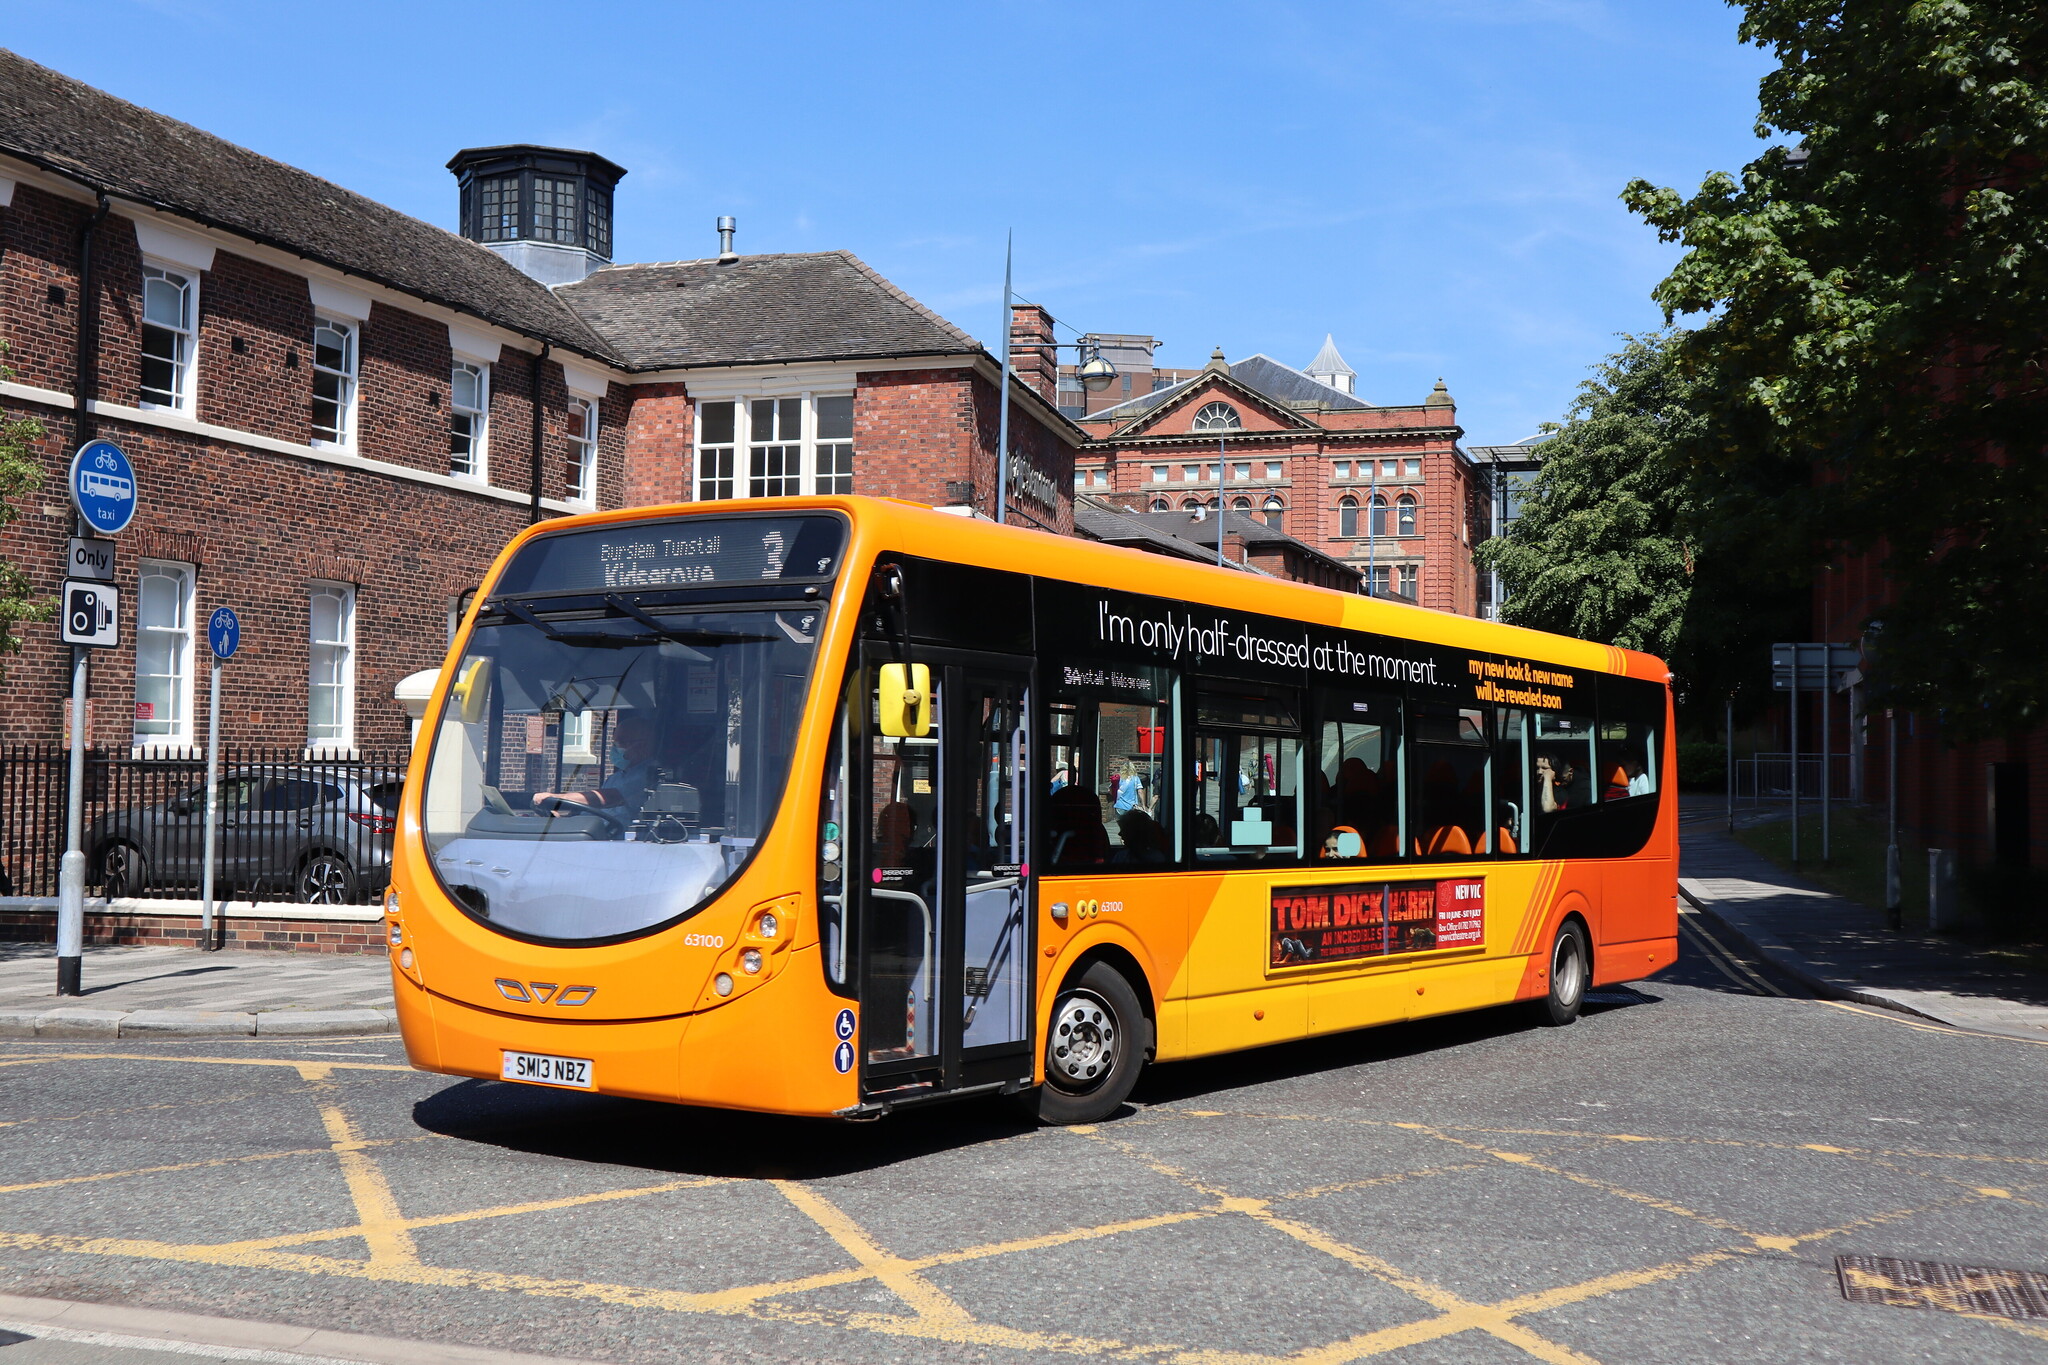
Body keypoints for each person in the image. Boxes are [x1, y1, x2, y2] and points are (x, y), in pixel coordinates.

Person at [533, 711, 659, 819]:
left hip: (622, 840)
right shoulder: (615, 778)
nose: (616, 748)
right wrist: (562, 819)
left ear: (644, 744)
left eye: (622, 743)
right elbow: (593, 813)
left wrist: (556, 798)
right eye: (615, 743)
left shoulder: (650, 774)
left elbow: (610, 798)